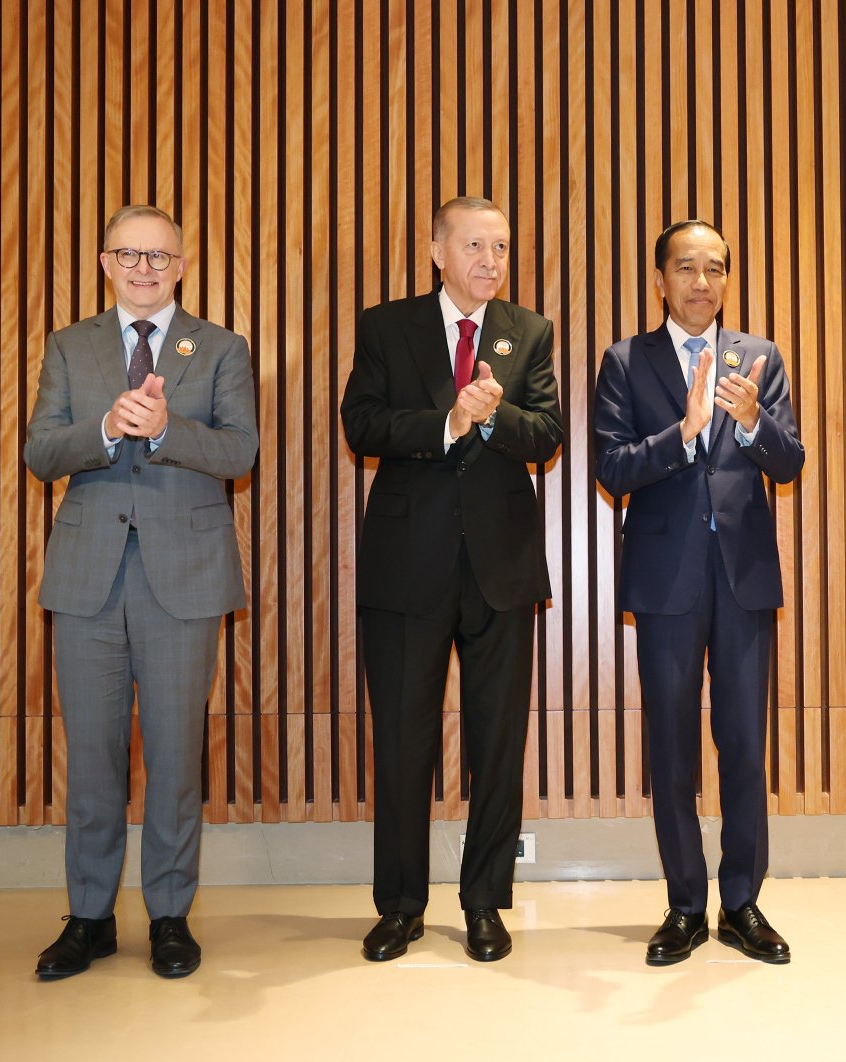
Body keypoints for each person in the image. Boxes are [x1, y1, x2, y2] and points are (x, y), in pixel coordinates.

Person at [24, 204, 259, 979]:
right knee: (91, 760)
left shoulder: (220, 346)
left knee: (174, 758)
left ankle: (168, 917)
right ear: (104, 261)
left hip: (183, 582)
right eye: (130, 254)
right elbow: (40, 451)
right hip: (87, 577)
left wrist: (162, 432)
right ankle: (88, 917)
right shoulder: (70, 346)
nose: (145, 269)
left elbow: (238, 451)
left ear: (183, 264)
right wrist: (104, 427)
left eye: (160, 257)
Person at [341, 197, 562, 963]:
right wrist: (450, 423)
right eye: (475, 245)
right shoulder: (385, 326)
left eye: (501, 247)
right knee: (404, 740)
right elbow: (360, 423)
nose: (491, 262)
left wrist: (497, 420)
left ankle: (484, 902)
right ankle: (399, 904)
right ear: (437, 249)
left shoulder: (526, 332)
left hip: (501, 568)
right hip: (407, 567)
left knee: (497, 743)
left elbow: (549, 434)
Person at [595, 220, 805, 965]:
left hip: (744, 578)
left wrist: (751, 424)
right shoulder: (626, 361)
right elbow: (612, 468)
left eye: (715, 268)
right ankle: (685, 904)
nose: (701, 282)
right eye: (686, 267)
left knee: (746, 746)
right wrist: (681, 437)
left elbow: (789, 461)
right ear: (661, 279)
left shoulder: (760, 357)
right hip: (666, 579)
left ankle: (742, 902)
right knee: (673, 748)